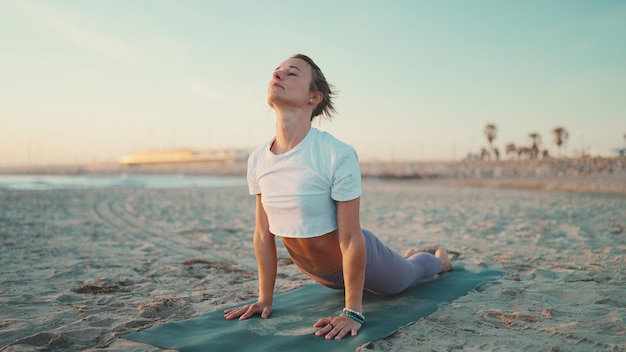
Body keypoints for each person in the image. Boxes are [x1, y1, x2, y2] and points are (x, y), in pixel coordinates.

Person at [224, 54, 453, 340]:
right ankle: (404, 257)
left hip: (359, 259)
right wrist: (264, 300)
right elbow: (262, 235)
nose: (278, 75)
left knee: (409, 274)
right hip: (320, 277)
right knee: (398, 266)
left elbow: (351, 239)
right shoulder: (258, 159)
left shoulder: (335, 154)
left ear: (314, 97)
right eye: (277, 71)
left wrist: (353, 311)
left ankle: (439, 260)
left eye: (292, 73)